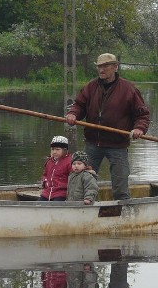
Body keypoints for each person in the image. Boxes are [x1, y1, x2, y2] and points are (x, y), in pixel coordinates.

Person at [65, 53, 150, 200]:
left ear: (115, 67)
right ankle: (83, 210)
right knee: (82, 180)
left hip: (118, 144)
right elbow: (79, 105)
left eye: (105, 66)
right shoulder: (91, 87)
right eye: (99, 66)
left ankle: (123, 213)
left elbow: (142, 114)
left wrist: (139, 128)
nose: (101, 70)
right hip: (93, 143)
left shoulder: (128, 89)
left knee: (120, 184)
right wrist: (73, 114)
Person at [41, 135, 72, 201]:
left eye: (57, 149)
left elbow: (74, 178)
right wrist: (45, 182)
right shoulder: (49, 161)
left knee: (55, 204)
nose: (54, 152)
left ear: (65, 150)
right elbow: (45, 174)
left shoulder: (70, 162)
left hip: (61, 193)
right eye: (52, 149)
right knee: (38, 205)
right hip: (47, 192)